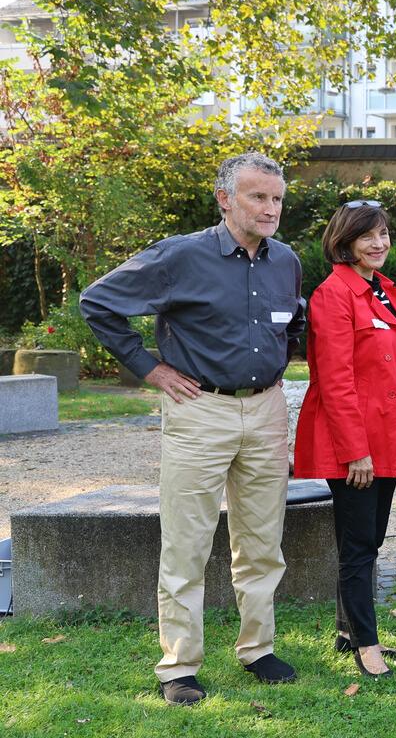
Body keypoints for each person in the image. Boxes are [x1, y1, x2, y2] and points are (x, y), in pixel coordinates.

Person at [80, 152, 304, 705]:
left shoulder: (287, 261)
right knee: (187, 542)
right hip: (200, 410)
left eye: (277, 198)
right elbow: (98, 302)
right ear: (225, 199)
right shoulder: (180, 256)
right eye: (258, 197)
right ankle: (178, 666)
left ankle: (258, 649)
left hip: (268, 410)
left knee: (262, 540)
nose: (270, 208)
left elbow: (290, 324)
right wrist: (150, 369)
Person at [292, 200, 396, 677]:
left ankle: (349, 632)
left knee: (370, 542)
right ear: (344, 241)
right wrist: (356, 452)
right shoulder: (334, 294)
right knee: (357, 547)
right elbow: (335, 380)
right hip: (352, 446)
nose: (379, 243)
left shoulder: (382, 293)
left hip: (387, 440)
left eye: (385, 233)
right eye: (368, 236)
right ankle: (367, 647)